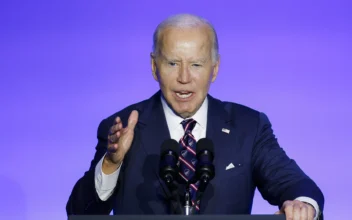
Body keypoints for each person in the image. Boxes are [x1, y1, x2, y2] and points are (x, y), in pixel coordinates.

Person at [66, 14, 324, 220]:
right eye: (172, 63)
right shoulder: (121, 126)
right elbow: (80, 213)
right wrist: (112, 163)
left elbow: (294, 184)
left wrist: (302, 204)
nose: (184, 78)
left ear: (215, 69)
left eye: (196, 65)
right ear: (154, 66)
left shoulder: (249, 126)